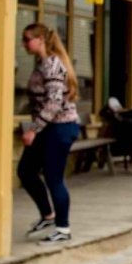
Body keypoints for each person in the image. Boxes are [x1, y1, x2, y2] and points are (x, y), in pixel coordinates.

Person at [19, 22, 82, 243]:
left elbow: (54, 102)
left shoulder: (53, 65)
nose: (24, 43)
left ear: (40, 40)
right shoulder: (42, 64)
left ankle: (63, 228)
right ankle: (48, 215)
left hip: (60, 127)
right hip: (47, 128)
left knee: (54, 177)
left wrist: (33, 130)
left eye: (27, 39)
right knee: (26, 170)